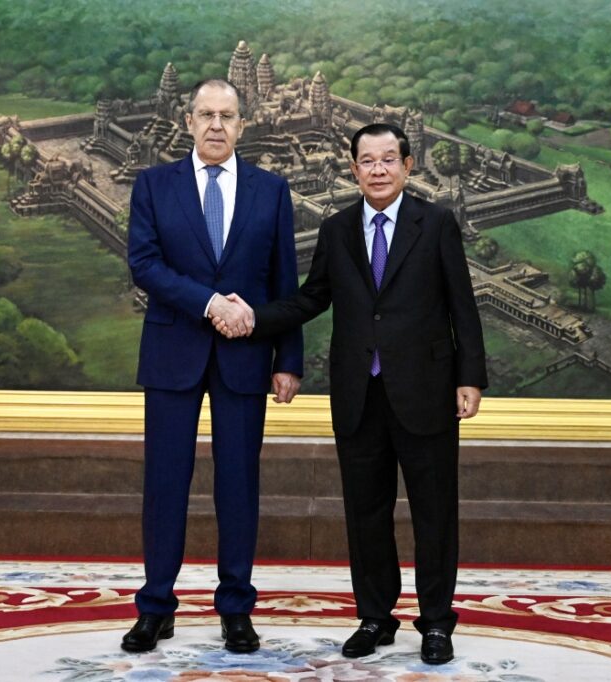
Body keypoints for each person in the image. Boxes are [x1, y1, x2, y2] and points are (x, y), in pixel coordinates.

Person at [213, 123, 487, 664]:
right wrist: (252, 319)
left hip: (427, 391)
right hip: (359, 394)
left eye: (389, 159)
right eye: (368, 161)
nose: (379, 170)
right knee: (366, 512)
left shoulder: (435, 224)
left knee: (434, 512)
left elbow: (463, 305)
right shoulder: (338, 229)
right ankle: (375, 616)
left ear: (409, 166)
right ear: (353, 168)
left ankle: (436, 623)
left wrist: (469, 376)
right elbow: (311, 298)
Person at [123, 78, 303, 655]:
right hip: (174, 353)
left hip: (246, 360)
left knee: (238, 486)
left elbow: (284, 281)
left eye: (227, 115)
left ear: (243, 124)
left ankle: (235, 609)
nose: (217, 125)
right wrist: (209, 304)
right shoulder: (153, 185)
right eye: (206, 114)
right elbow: (145, 265)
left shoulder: (272, 190)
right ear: (188, 120)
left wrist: (289, 360)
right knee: (166, 485)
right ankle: (155, 608)